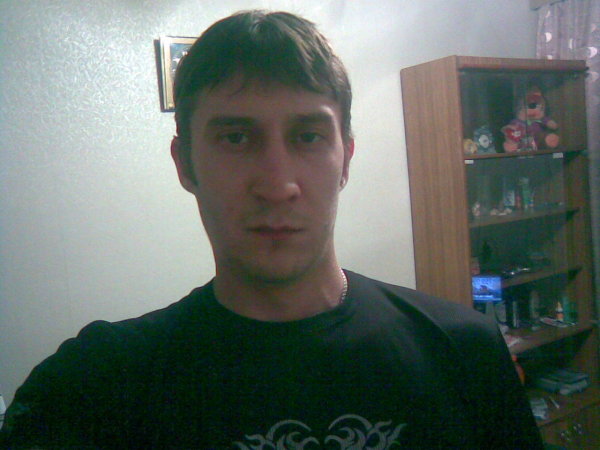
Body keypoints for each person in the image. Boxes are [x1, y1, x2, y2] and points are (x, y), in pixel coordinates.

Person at [0, 10, 543, 449]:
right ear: (185, 164)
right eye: (236, 138)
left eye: (308, 136)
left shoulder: (463, 351)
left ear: (346, 160)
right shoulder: (95, 385)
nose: (278, 185)